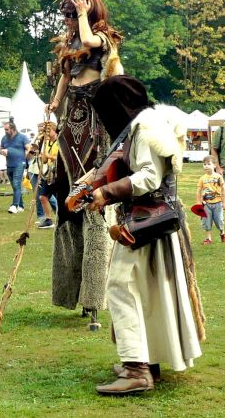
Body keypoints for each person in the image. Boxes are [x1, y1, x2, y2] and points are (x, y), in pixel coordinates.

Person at [84, 76, 204, 395]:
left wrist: (108, 191)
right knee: (147, 292)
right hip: (148, 222)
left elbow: (149, 177)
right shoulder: (143, 125)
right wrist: (97, 182)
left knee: (120, 286)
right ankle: (146, 361)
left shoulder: (146, 130)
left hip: (146, 223)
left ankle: (137, 370)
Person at [44, 0, 121, 326]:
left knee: (91, 208)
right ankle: (69, 292)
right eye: (66, 15)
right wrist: (54, 103)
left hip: (94, 133)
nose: (69, 20)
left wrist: (83, 15)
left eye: (72, 13)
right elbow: (65, 76)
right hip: (68, 133)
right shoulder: (70, 45)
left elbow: (89, 44)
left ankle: (93, 299)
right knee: (67, 208)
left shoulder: (101, 39)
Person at [0, 121, 31, 213]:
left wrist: (25, 157)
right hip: (9, 164)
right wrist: (2, 152)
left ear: (13, 129)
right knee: (15, 186)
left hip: (20, 163)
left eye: (7, 129)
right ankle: (21, 206)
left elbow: (29, 148)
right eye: (4, 129)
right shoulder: (4, 138)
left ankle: (14, 206)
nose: (5, 131)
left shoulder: (22, 137)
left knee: (16, 184)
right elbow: (0, 149)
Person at [195, 156, 225, 244]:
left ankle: (222, 232)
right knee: (206, 221)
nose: (206, 166)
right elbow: (198, 191)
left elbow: (224, 189)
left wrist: (224, 202)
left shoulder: (218, 177)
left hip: (218, 203)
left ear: (215, 165)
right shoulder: (202, 178)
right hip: (206, 204)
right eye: (204, 164)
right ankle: (208, 238)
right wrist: (198, 202)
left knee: (219, 221)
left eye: (209, 164)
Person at [36, 122, 59, 229]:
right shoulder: (48, 143)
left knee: (47, 196)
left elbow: (60, 158)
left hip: (58, 173)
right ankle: (48, 219)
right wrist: (42, 156)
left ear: (54, 130)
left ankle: (53, 218)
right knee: (43, 197)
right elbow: (45, 161)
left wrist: (48, 155)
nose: (47, 134)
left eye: (48, 131)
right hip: (50, 172)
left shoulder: (59, 142)